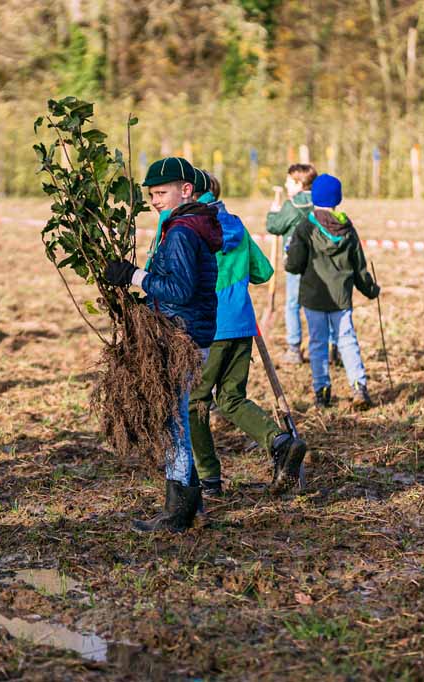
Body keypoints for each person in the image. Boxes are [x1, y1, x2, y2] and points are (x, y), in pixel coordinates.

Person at [104, 157, 222, 533]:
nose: (154, 200)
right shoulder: (185, 225)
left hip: (182, 337)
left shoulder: (184, 232)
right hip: (187, 332)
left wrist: (135, 276)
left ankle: (175, 514)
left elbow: (180, 290)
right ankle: (192, 508)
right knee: (177, 418)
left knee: (174, 423)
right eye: (151, 194)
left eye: (161, 193)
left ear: (185, 190)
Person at [190, 172, 308, 495]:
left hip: (209, 325)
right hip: (242, 323)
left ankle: (208, 477)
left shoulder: (193, 226)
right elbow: (264, 272)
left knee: (196, 400)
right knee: (230, 398)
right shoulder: (236, 225)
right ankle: (279, 441)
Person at [284, 174, 380, 409]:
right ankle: (359, 387)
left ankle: (322, 391)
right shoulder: (347, 228)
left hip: (314, 297)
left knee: (317, 343)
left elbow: (294, 265)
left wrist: (289, 256)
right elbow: (359, 267)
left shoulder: (305, 227)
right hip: (341, 298)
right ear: (338, 198)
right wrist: (370, 290)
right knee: (347, 341)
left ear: (314, 197)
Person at [266, 163, 339, 365]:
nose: (286, 184)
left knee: (293, 304)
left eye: (289, 181)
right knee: (325, 303)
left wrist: (273, 212)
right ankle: (333, 347)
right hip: (322, 265)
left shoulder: (292, 205)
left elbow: (274, 226)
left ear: (299, 183)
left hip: (297, 264)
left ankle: (293, 349)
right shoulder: (323, 203)